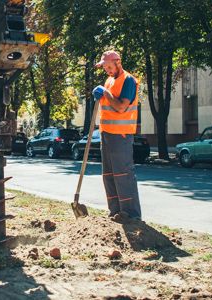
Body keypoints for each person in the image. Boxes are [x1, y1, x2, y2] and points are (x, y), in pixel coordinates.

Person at [92, 50, 143, 224]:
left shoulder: (128, 80)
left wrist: (105, 93)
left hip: (121, 135)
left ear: (118, 62)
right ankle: (115, 212)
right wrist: (101, 95)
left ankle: (131, 215)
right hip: (106, 134)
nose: (107, 70)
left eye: (109, 67)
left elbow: (121, 107)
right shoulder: (109, 80)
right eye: (104, 67)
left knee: (123, 174)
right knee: (109, 175)